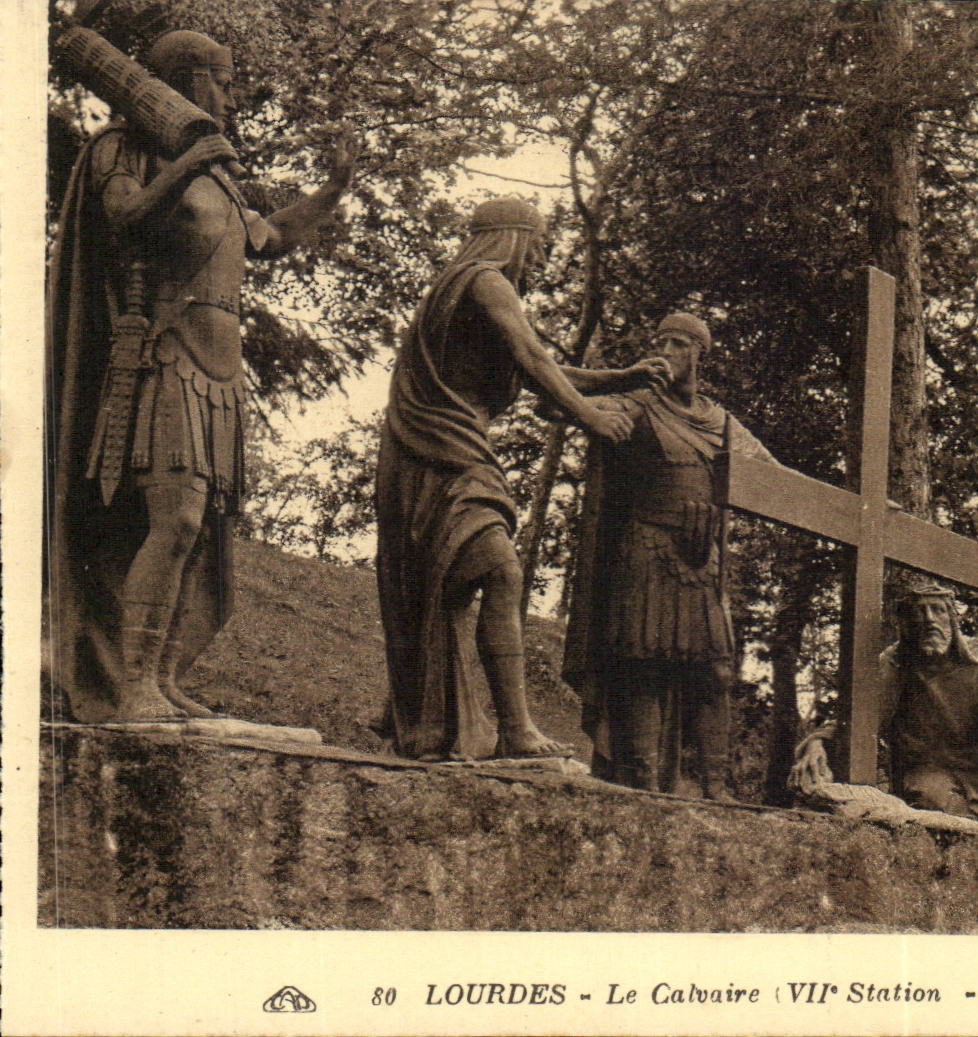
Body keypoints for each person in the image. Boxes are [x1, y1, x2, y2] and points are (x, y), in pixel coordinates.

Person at [47, 29, 354, 722]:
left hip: (219, 369)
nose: (229, 93)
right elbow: (124, 218)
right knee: (174, 516)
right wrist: (183, 167)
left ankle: (161, 675)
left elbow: (268, 237)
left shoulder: (216, 171)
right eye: (220, 78)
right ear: (185, 78)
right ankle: (130, 685)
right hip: (163, 352)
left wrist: (331, 191)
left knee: (198, 528)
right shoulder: (119, 148)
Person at [374, 198, 667, 761]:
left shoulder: (465, 290)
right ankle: (516, 730)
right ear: (510, 238)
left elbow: (539, 368)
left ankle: (475, 723)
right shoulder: (484, 281)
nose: (538, 260)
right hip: (443, 457)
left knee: (466, 583)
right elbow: (534, 357)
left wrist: (619, 378)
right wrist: (591, 417)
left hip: (443, 455)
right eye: (536, 246)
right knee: (501, 571)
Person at [563, 312, 776, 799]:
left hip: (703, 561)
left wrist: (861, 503)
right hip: (647, 549)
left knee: (718, 671)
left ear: (702, 354)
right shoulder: (639, 404)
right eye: (660, 342)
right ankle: (641, 783)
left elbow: (774, 478)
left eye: (679, 343)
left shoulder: (722, 422)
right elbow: (560, 405)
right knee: (645, 668)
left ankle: (716, 787)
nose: (667, 351)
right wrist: (614, 383)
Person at [788, 580, 978, 831]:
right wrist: (818, 741)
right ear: (907, 624)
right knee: (936, 802)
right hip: (929, 774)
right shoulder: (896, 665)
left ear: (953, 619)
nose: (929, 619)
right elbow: (862, 717)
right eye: (919, 612)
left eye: (938, 610)